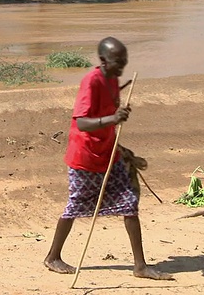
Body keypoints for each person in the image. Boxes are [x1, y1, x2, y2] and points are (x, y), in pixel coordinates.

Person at [43, 37, 172, 280]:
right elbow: (81, 122)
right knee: (74, 207)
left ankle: (140, 266)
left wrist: (118, 118)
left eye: (124, 61)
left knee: (129, 202)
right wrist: (112, 119)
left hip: (108, 152)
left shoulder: (113, 79)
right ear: (103, 61)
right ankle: (53, 256)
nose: (122, 66)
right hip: (85, 156)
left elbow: (108, 113)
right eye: (117, 62)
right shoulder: (90, 81)